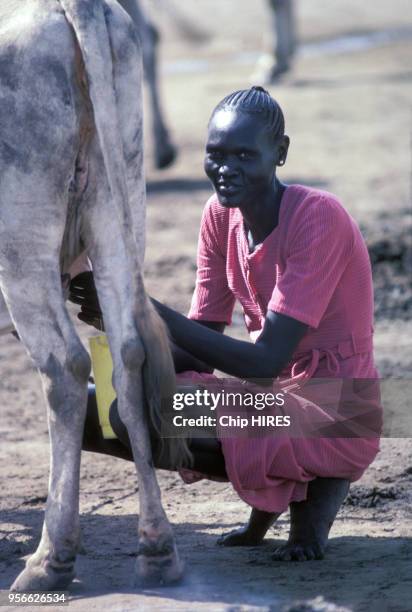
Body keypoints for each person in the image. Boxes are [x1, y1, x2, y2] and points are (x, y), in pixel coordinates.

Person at [70, 86, 381, 562]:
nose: (225, 168)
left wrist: (143, 308)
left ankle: (317, 482)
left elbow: (265, 361)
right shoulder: (220, 215)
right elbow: (203, 338)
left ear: (280, 153)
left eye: (243, 154)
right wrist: (127, 341)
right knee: (95, 405)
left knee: (150, 414)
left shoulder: (318, 218)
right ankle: (285, 491)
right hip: (273, 400)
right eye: (215, 154)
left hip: (338, 411)